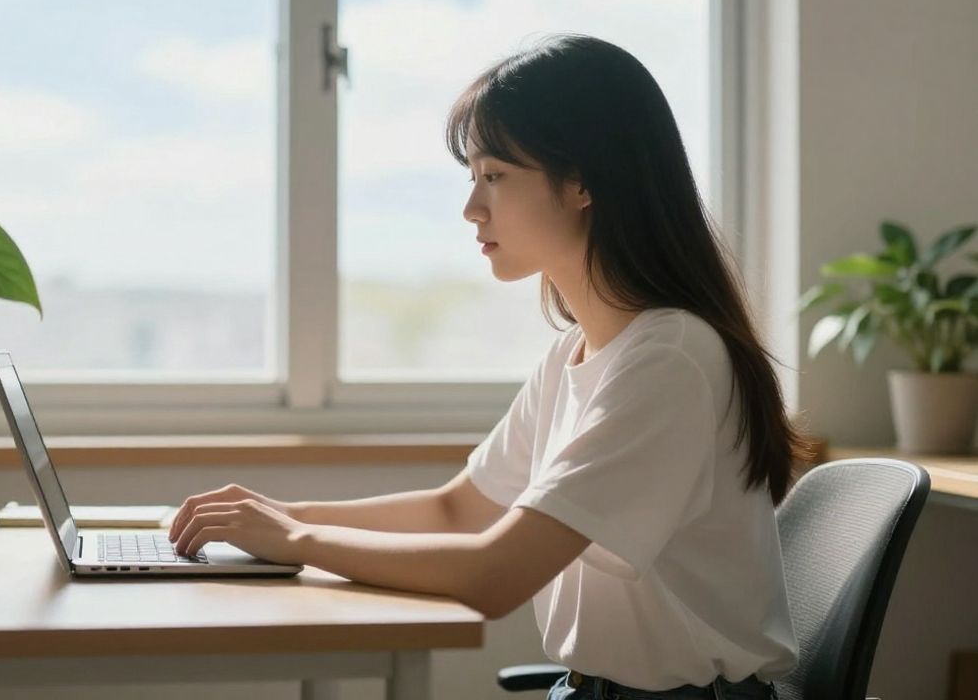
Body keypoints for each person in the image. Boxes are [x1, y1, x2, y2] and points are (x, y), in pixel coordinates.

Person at [168, 34, 803, 700]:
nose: (472, 208)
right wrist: (270, 515)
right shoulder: (575, 354)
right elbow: (459, 510)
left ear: (584, 180)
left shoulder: (670, 361)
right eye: (472, 178)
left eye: (494, 175)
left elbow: (494, 573)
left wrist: (296, 537)